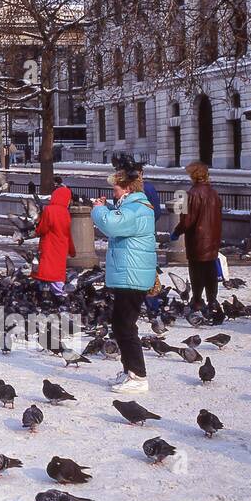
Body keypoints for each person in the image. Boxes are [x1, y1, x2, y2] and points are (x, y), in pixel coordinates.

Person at [92, 166, 158, 393]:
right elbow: (120, 220)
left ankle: (139, 376)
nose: (114, 193)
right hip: (130, 274)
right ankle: (130, 370)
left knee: (125, 327)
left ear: (129, 189)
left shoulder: (137, 209)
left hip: (132, 276)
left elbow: (112, 225)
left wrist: (99, 210)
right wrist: (109, 207)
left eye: (116, 189)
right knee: (121, 325)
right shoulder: (135, 207)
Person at [171, 161, 222, 319]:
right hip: (212, 239)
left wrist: (177, 231)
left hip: (197, 240)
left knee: (196, 272)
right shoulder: (214, 193)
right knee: (211, 272)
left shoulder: (192, 194)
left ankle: (198, 301)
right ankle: (212, 301)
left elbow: (187, 221)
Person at [34, 184, 74, 295]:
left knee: (47, 270)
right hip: (62, 246)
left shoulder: (49, 210)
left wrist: (37, 230)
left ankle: (54, 293)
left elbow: (43, 228)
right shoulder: (66, 212)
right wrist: (71, 250)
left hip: (50, 244)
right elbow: (68, 232)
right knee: (57, 270)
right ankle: (60, 292)